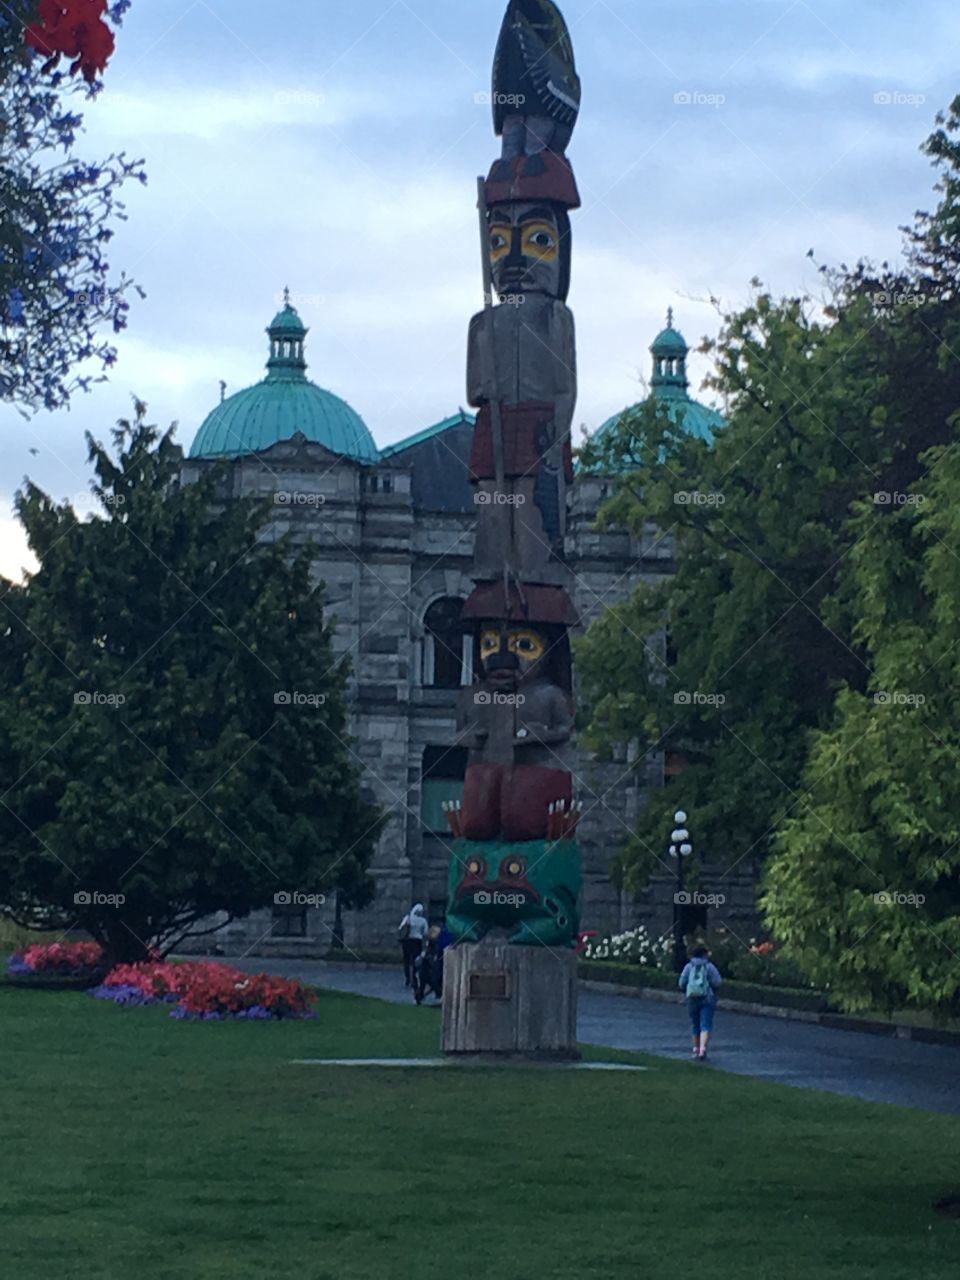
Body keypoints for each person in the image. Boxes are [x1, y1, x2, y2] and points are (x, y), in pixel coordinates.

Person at [678, 944, 722, 1060]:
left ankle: (696, 1049)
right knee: (705, 1024)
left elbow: (682, 982)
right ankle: (703, 1049)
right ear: (704, 954)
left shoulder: (689, 966)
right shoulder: (709, 967)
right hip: (707, 998)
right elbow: (717, 982)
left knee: (695, 1024)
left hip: (692, 998)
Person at [398, 903, 429, 986]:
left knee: (407, 960)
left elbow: (400, 928)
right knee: (415, 959)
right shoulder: (423, 921)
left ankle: (407, 976)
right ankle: (414, 976)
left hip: (407, 941)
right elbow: (425, 933)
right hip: (417, 941)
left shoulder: (408, 917)